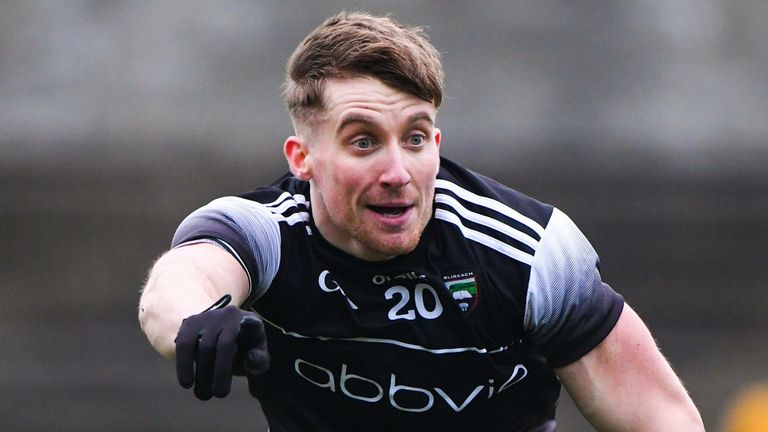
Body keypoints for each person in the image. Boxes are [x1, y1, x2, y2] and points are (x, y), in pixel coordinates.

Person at [138, 11, 704, 431]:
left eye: (413, 138)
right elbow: (181, 282)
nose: (397, 171)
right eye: (363, 142)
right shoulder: (269, 232)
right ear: (301, 158)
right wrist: (199, 319)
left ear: (437, 142)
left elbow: (660, 417)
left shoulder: (525, 252)